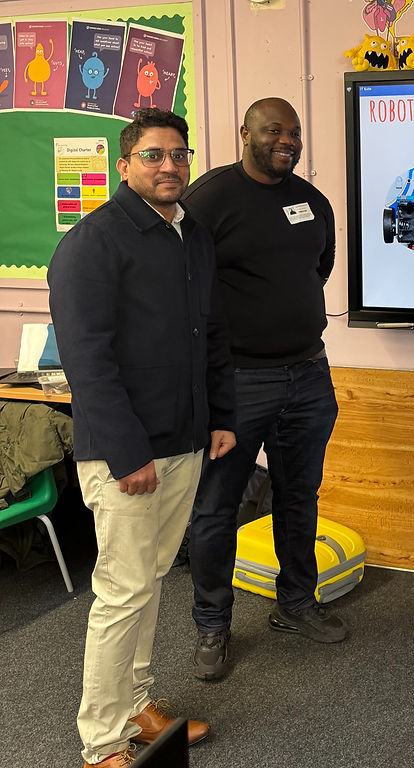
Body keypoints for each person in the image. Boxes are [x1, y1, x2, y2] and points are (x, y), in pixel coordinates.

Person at [47, 108, 236, 768]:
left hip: (183, 438)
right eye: (155, 155)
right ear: (124, 165)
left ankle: (136, 705)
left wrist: (220, 415)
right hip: (125, 451)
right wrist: (128, 453)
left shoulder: (191, 235)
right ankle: (101, 741)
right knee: (123, 589)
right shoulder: (90, 244)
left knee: (151, 580)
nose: (170, 166)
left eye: (180, 155)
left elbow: (208, 332)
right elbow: (87, 361)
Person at [181, 97, 344, 681]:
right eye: (274, 130)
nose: (287, 140)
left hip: (307, 374)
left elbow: (317, 270)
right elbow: (184, 281)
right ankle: (211, 625)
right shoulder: (209, 199)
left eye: (295, 132)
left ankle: (296, 602)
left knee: (299, 497)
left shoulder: (312, 201)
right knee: (217, 508)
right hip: (236, 382)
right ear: (244, 132)